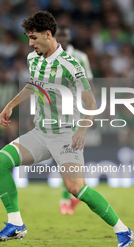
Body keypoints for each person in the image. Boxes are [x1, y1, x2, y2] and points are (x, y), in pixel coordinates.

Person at [0, 11, 134, 247]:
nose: (30, 43)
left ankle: (123, 230)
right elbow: (33, 84)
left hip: (66, 134)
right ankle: (15, 224)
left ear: (48, 35)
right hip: (40, 133)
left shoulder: (70, 65)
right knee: (0, 161)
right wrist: (10, 105)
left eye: (34, 38)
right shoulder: (33, 59)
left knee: (75, 189)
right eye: (28, 38)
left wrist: (82, 131)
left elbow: (91, 104)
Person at [56, 24, 93, 215]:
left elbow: (89, 83)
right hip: (55, 111)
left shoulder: (80, 57)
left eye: (65, 35)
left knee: (69, 153)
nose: (62, 39)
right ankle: (73, 195)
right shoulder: (45, 56)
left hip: (75, 110)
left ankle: (68, 198)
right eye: (58, 35)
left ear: (69, 37)